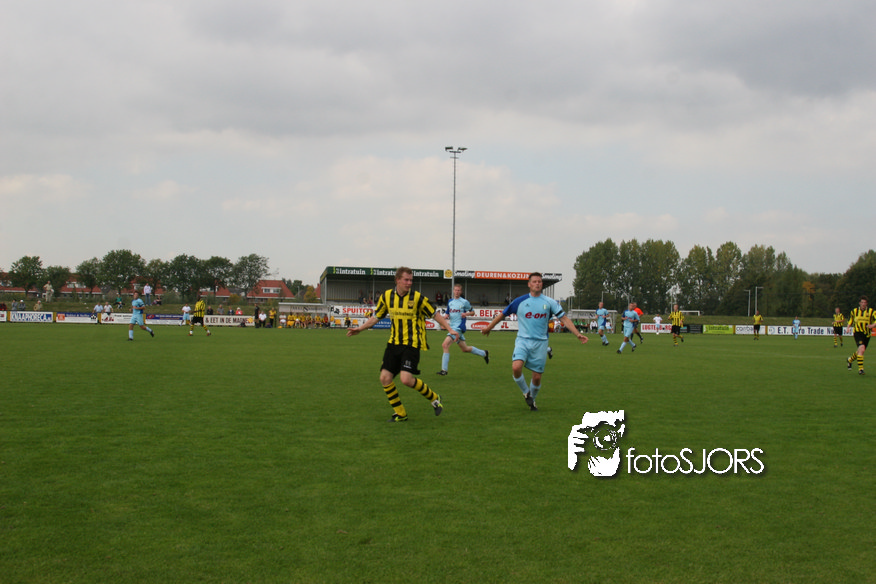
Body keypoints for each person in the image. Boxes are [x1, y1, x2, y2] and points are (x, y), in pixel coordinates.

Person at [347, 267, 458, 422]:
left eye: (411, 280)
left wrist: (450, 329)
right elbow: (376, 317)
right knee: (385, 378)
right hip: (393, 343)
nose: (409, 283)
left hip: (412, 344)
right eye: (406, 280)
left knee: (406, 379)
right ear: (397, 280)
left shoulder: (417, 298)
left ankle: (434, 397)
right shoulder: (387, 296)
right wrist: (360, 329)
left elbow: (435, 314)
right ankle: (400, 413)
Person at [482, 272, 588, 411]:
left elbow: (564, 318)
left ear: (542, 284)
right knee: (516, 367)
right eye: (534, 281)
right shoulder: (520, 301)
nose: (537, 284)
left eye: (539, 281)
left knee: (537, 378)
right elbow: (502, 314)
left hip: (541, 343)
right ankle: (526, 393)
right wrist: (489, 327)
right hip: (523, 341)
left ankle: (532, 401)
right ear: (529, 284)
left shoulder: (549, 302)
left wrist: (577, 333)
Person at [437, 283, 489, 375]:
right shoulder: (450, 301)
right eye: (455, 290)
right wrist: (444, 318)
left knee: (445, 345)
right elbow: (447, 314)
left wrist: (466, 314)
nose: (457, 292)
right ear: (453, 291)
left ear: (461, 292)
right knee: (464, 349)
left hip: (459, 328)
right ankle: (484, 353)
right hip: (452, 327)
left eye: (458, 290)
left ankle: (444, 370)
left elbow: (473, 312)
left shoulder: (464, 302)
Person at [846, 295, 876, 375]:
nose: (863, 304)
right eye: (862, 302)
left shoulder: (871, 311)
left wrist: (872, 325)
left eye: (865, 302)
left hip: (867, 334)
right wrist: (848, 327)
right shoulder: (854, 311)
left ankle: (850, 360)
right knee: (862, 348)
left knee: (860, 351)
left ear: (867, 303)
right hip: (857, 332)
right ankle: (861, 369)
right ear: (859, 303)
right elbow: (850, 320)